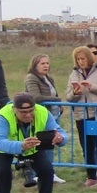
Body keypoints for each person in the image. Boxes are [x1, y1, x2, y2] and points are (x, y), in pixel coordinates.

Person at [0, 92, 68, 193]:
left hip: (32, 146)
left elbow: (59, 131)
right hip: (4, 148)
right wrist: (21, 145)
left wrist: (60, 138)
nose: (28, 115)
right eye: (23, 112)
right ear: (14, 110)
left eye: (31, 111)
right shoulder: (3, 116)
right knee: (2, 173)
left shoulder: (43, 112)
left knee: (47, 171)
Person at [65, 45, 97, 188]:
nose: (81, 61)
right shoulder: (74, 74)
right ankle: (91, 176)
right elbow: (68, 96)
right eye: (78, 59)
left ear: (89, 58)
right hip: (82, 115)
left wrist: (92, 86)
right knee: (87, 147)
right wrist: (75, 93)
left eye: (83, 58)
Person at [24, 54, 67, 184]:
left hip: (52, 116)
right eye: (42, 63)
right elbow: (35, 97)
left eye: (47, 63)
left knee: (50, 144)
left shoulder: (49, 78)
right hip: (39, 116)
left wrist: (59, 105)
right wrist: (58, 100)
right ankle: (36, 173)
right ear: (35, 65)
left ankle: (50, 172)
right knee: (38, 144)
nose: (46, 66)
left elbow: (54, 93)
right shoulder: (31, 78)